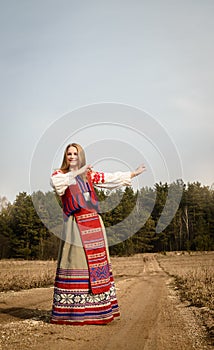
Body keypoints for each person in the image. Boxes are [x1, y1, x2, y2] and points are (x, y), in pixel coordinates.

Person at [50, 143, 146, 325]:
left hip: (94, 223)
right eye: (69, 154)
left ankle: (99, 311)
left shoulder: (89, 175)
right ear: (65, 157)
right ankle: (72, 312)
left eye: (75, 154)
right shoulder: (60, 175)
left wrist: (133, 173)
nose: (72, 157)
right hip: (75, 225)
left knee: (96, 266)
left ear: (81, 156)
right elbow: (57, 185)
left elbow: (109, 179)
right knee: (77, 263)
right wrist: (78, 173)